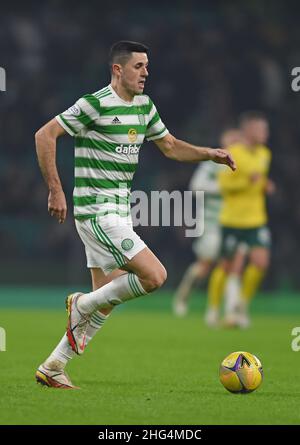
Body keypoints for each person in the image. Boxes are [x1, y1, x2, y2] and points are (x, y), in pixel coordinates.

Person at [34, 40, 235, 389]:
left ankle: (54, 365)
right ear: (118, 69)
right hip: (96, 211)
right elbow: (45, 135)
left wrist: (208, 154)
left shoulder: (144, 107)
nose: (146, 72)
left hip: (119, 212)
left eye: (147, 66)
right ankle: (80, 305)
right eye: (139, 66)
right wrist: (55, 188)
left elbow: (170, 146)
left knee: (107, 299)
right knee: (155, 276)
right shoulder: (94, 104)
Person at [207, 111, 273, 328]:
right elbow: (224, 186)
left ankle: (241, 305)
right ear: (248, 130)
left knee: (260, 262)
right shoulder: (232, 153)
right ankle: (213, 309)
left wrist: (264, 185)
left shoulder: (265, 154)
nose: (265, 133)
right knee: (226, 267)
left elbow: (258, 181)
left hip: (256, 219)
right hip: (232, 220)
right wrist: (248, 182)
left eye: (265, 129)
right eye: (261, 129)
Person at [173, 128, 242, 318]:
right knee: (205, 265)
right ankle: (182, 297)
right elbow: (196, 186)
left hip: (237, 222)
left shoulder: (243, 163)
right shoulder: (214, 164)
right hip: (212, 222)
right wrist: (223, 188)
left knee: (232, 265)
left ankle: (229, 311)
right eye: (231, 138)